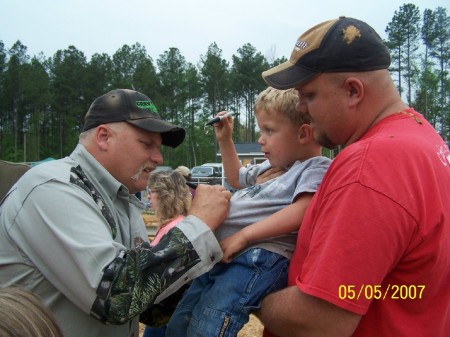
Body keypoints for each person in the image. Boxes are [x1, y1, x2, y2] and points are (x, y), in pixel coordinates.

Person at [256, 17, 450, 337]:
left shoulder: (371, 165)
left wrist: (245, 292)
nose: (301, 107)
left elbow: (320, 320)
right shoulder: (425, 141)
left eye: (309, 94)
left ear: (352, 91)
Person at [0, 88, 231, 337]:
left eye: (159, 147)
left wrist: (213, 241)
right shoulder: (52, 189)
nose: (158, 157)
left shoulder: (122, 200)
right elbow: (116, 298)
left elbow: (148, 310)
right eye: (147, 144)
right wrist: (198, 223)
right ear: (103, 137)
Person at [166, 86, 331, 337]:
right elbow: (235, 178)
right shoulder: (270, 166)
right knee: (182, 317)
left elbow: (303, 210)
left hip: (259, 256)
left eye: (269, 130)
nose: (260, 139)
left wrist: (244, 236)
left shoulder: (315, 167)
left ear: (303, 134)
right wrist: (225, 139)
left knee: (211, 320)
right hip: (224, 252)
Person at [143, 169, 193, 337]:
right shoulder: (173, 224)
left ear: (165, 195)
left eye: (151, 191)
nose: (148, 196)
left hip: (168, 311)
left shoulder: (176, 228)